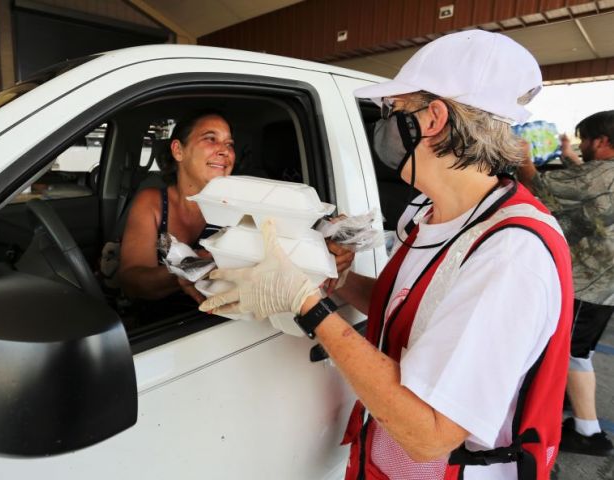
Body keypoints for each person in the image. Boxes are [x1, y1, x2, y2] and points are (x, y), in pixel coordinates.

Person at [200, 30, 574, 479]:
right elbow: (427, 311)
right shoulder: (436, 213)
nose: (386, 126)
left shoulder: (509, 254)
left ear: (433, 119)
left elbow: (430, 433)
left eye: (396, 112)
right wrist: (340, 282)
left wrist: (308, 306)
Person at [518, 110, 614, 457]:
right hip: (605, 286)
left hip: (589, 284)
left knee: (573, 352)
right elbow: (586, 182)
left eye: (586, 140)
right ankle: (570, 407)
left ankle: (589, 432)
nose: (583, 146)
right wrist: (568, 155)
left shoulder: (601, 175)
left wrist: (524, 160)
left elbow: (538, 187)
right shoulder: (601, 174)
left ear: (602, 142)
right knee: (578, 350)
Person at [118, 110, 236, 306]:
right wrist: (185, 272)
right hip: (162, 328)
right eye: (210, 139)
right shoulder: (152, 202)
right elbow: (131, 281)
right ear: (178, 150)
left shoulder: (237, 208)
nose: (224, 151)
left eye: (229, 144)